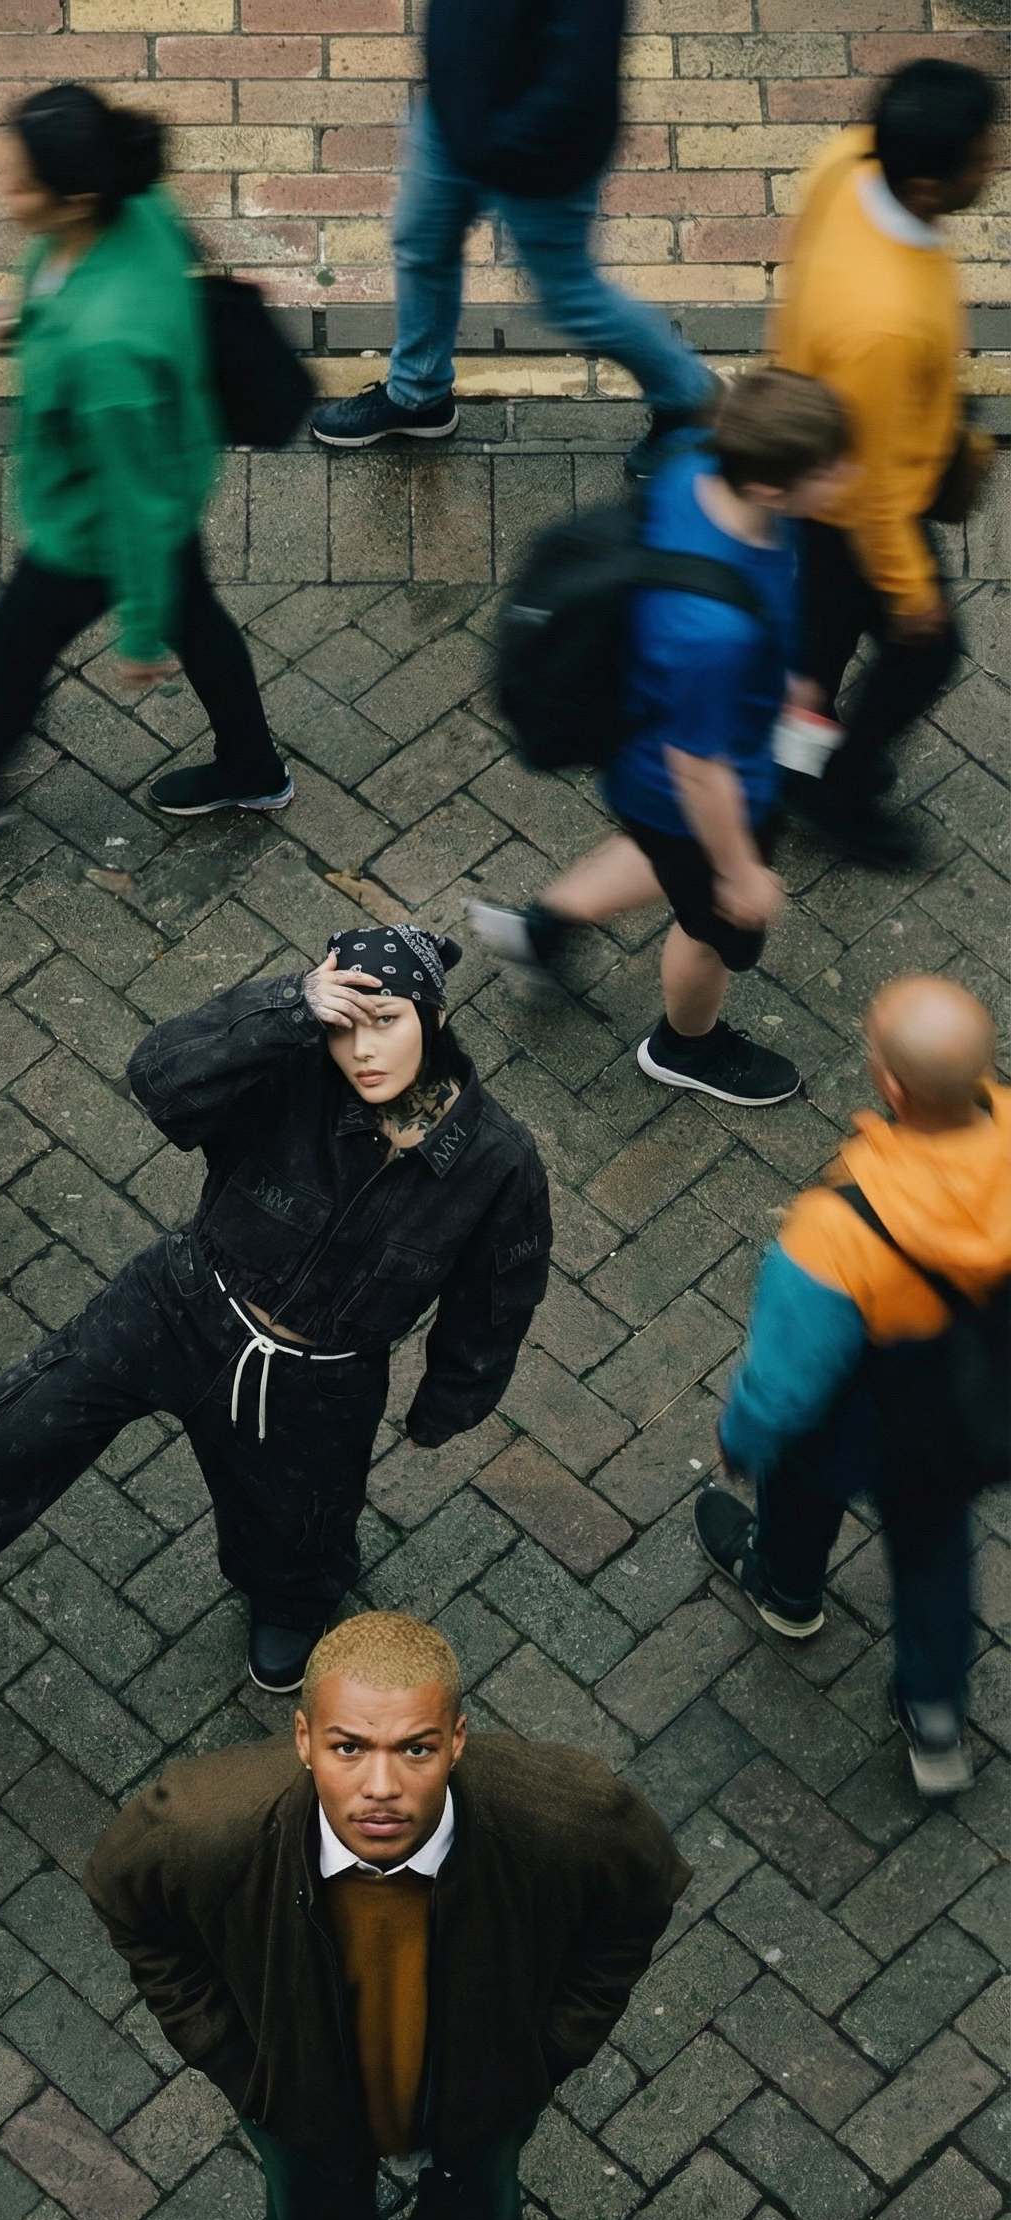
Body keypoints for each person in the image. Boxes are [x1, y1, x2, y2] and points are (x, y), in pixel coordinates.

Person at [0, 923, 551, 1696]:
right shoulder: (295, 1063)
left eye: (386, 1021)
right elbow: (160, 1077)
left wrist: (447, 1405)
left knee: (300, 1522)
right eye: (346, 1026)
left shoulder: (499, 1165)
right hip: (182, 1298)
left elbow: (495, 1301)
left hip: (319, 1378)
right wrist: (289, 1007)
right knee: (30, 1415)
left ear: (435, 1017)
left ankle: (291, 1604)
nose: (363, 1051)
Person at [85, 1612, 686, 2220]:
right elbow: (129, 1906)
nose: (380, 1787)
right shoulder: (200, 1828)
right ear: (302, 1739)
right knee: (311, 2210)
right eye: (347, 1747)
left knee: (480, 2206)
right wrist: (232, 2055)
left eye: (415, 1748)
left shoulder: (566, 1819)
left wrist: (546, 2051)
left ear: (459, 1740)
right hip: (300, 2092)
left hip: (478, 2089)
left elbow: (637, 1905)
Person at [469, 368, 852, 1109]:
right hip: (692, 789)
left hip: (659, 748)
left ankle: (541, 931)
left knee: (666, 855)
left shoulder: (701, 466)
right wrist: (739, 871)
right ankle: (686, 1046)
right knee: (710, 930)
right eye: (829, 469)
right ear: (774, 488)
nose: (847, 476)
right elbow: (697, 768)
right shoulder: (713, 636)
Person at [698, 976, 1010, 1799]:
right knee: (936, 1550)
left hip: (858, 1410)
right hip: (965, 1411)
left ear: (894, 1086)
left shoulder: (838, 1231)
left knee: (798, 1494)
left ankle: (789, 1593)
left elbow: (787, 1381)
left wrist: (742, 1435)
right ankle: (936, 1720)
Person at [0, 83, 290, 827]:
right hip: (169, 461)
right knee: (198, 621)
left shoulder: (106, 356)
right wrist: (34, 315)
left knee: (13, 639)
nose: (0, 189)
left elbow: (133, 505)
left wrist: (137, 634)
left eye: (16, 179)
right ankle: (253, 765)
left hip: (97, 528)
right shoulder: (138, 209)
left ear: (71, 199)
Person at [309, 0, 710, 467]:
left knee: (571, 297)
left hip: (540, 150)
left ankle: (691, 400)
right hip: (456, 115)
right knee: (421, 245)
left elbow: (582, 65)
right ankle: (418, 394)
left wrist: (501, 146)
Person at [774, 60, 1001, 869]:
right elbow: (870, 495)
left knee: (825, 625)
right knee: (926, 650)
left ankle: (792, 747)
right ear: (932, 185)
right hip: (857, 489)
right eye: (982, 155)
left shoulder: (847, 158)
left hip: (819, 451)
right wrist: (910, 596)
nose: (994, 163)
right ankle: (838, 782)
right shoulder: (886, 324)